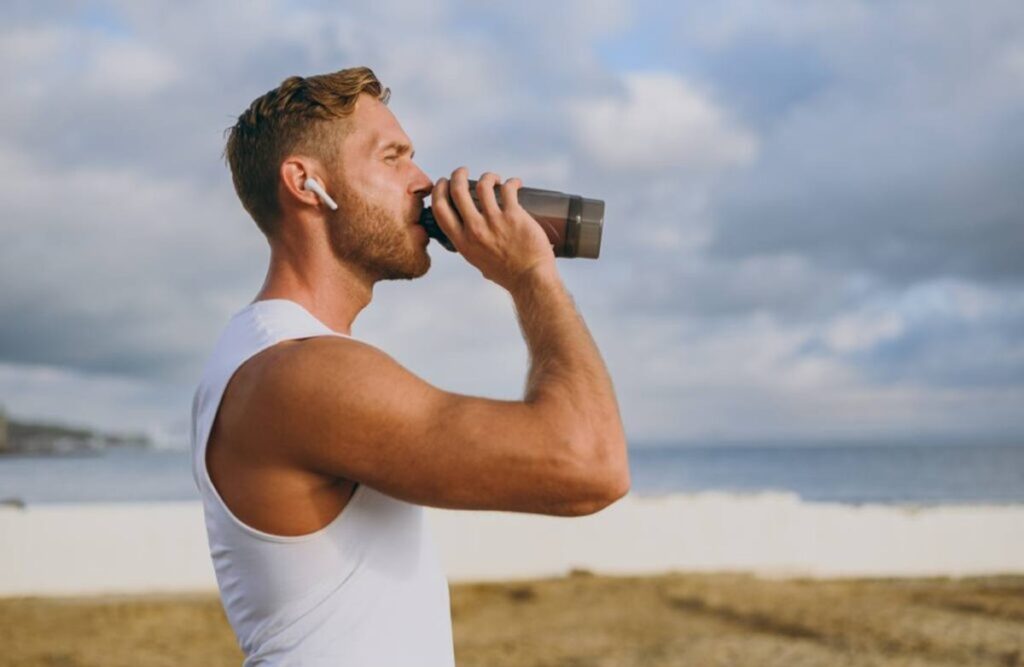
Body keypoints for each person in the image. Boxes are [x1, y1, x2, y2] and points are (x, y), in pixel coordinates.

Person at [190, 66, 629, 666]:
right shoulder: (298, 374)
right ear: (306, 183)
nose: (423, 182)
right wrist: (530, 276)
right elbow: (590, 464)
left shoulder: (272, 354)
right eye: (393, 158)